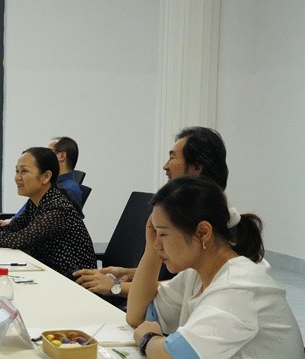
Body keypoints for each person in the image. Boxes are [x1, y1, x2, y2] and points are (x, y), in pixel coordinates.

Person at [125, 176, 305, 359]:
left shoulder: (239, 284)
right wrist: (151, 248)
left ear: (203, 232)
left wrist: (148, 338)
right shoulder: (197, 273)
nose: (157, 243)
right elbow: (137, 314)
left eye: (164, 234)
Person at [73, 126, 229, 298]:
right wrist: (128, 273)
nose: (165, 166)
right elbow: (177, 279)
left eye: (172, 157)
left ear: (196, 167)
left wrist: (115, 286)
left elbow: (179, 287)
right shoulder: (189, 213)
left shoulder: (210, 225)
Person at [0, 147, 96, 278]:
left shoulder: (58, 207)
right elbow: (14, 227)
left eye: (24, 171)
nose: (17, 177)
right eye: (17, 171)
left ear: (46, 177)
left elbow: (21, 239)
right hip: (46, 270)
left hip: (72, 279)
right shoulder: (36, 201)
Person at [47, 136, 83, 208]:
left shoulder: (67, 190)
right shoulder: (51, 185)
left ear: (61, 156)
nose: (43, 157)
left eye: (48, 152)